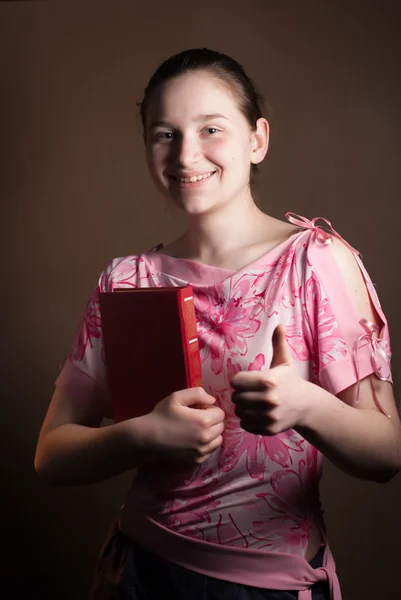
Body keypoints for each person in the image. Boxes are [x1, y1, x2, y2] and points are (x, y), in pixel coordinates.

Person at [34, 48, 401, 600]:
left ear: (257, 140)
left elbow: (387, 452)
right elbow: (51, 455)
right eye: (165, 133)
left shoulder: (314, 262)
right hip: (135, 571)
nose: (186, 153)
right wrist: (142, 435)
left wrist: (305, 405)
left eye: (210, 128)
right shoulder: (127, 279)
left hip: (267, 586)